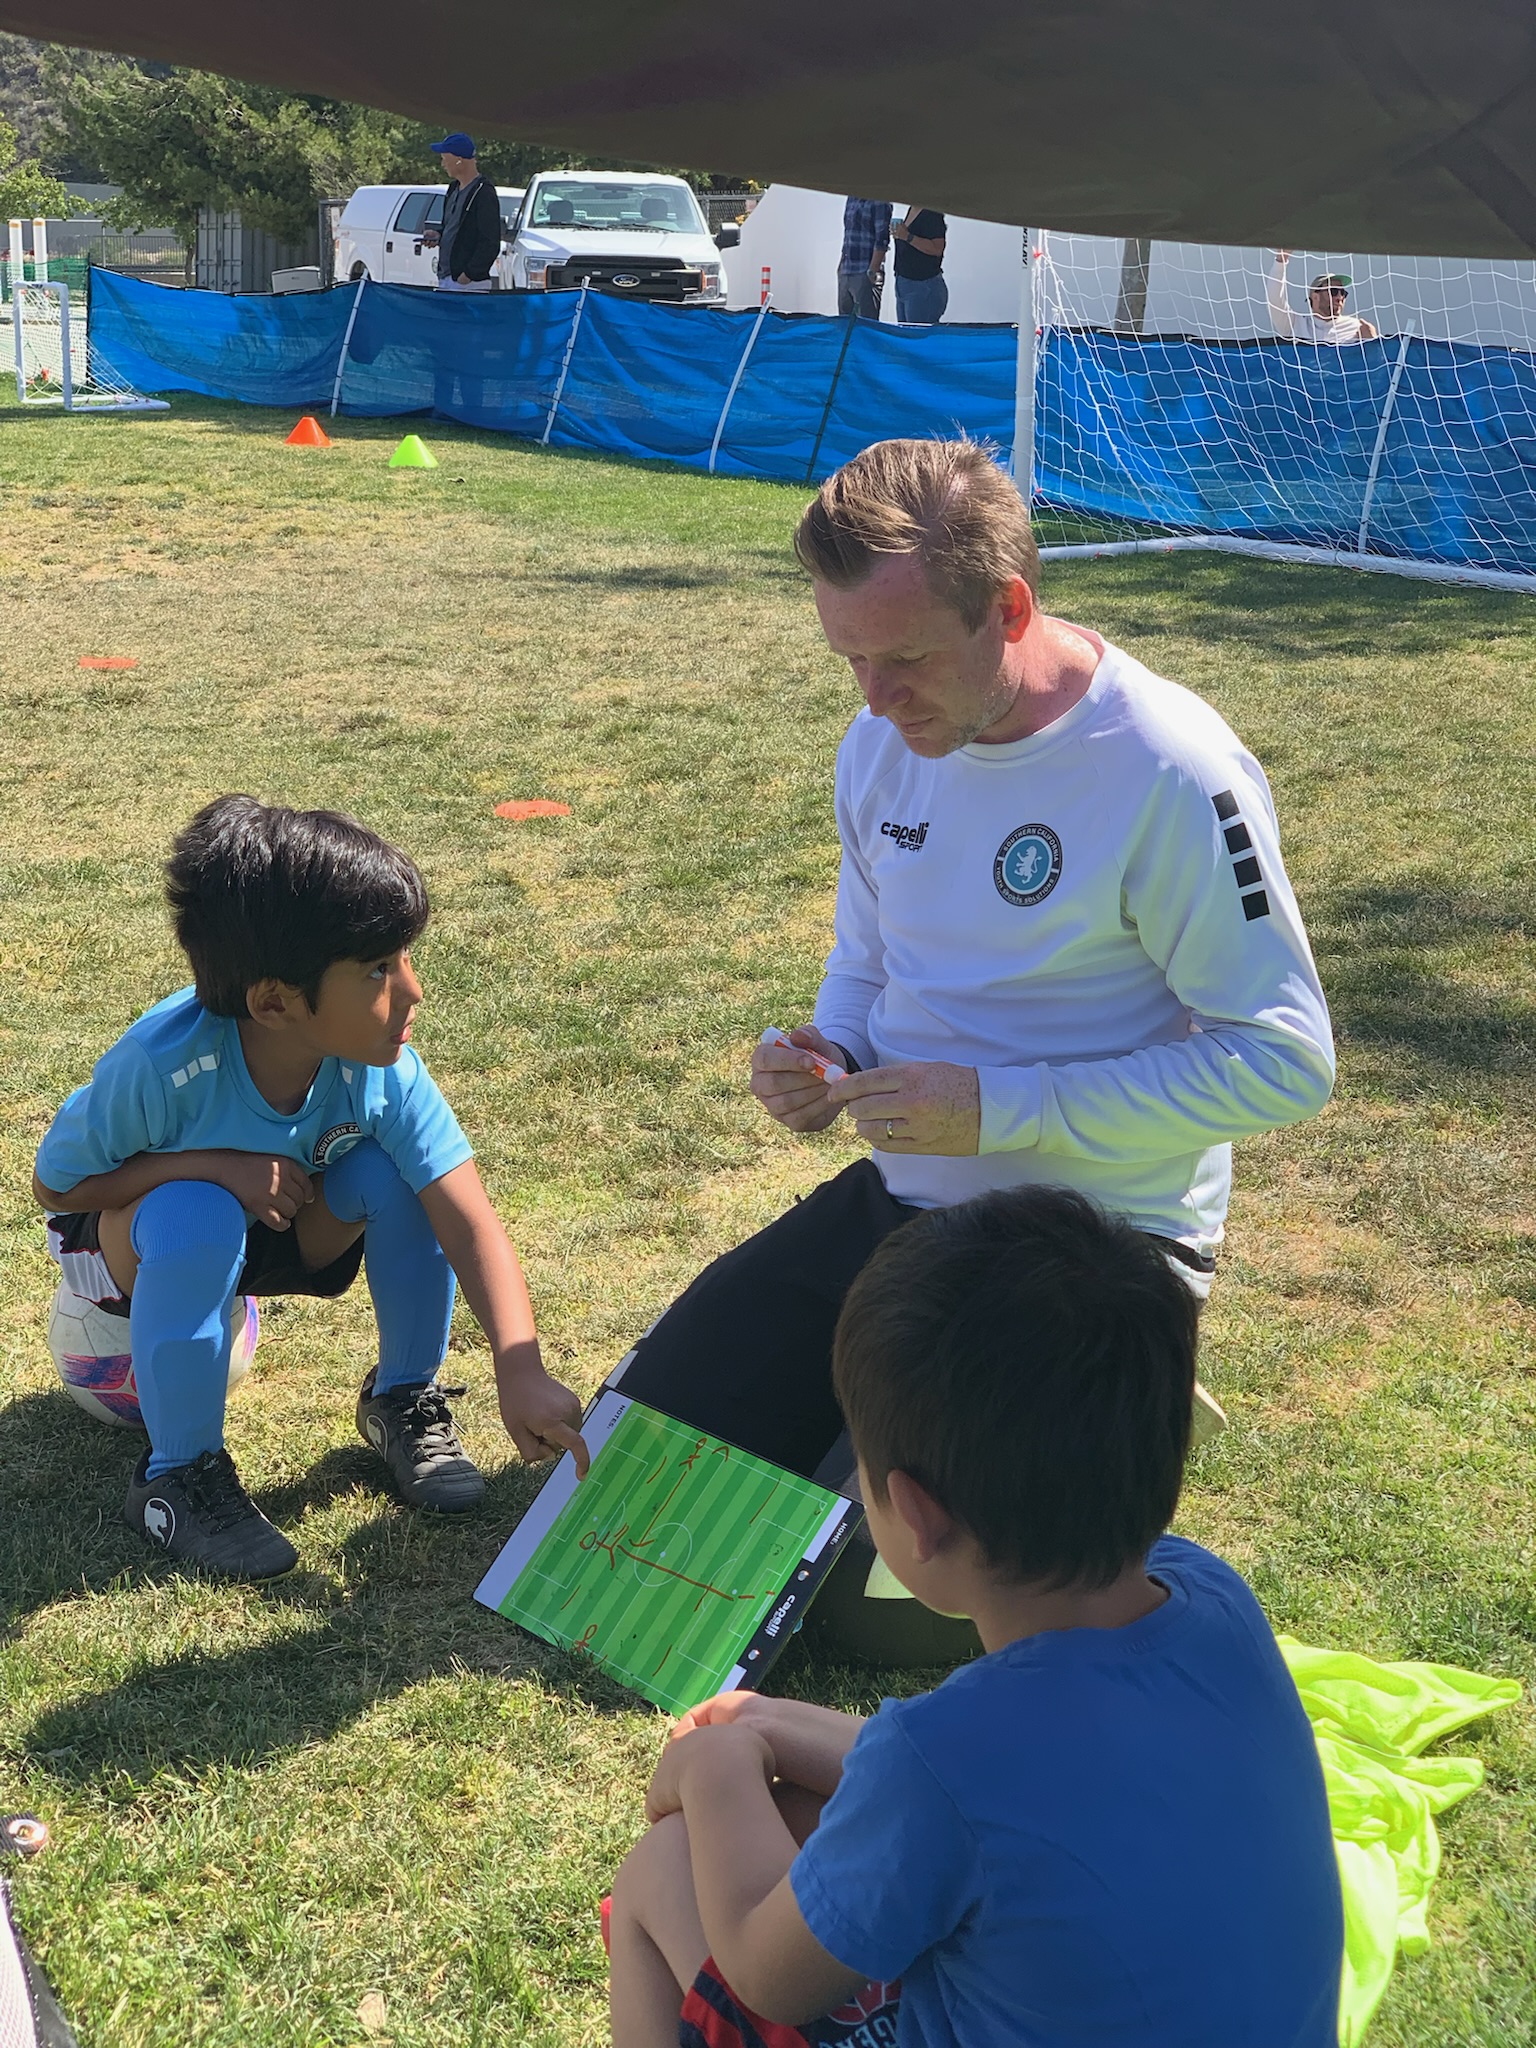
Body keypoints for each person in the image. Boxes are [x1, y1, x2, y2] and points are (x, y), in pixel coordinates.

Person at [618, 437, 1335, 1513]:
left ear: (1009, 607)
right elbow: (866, 962)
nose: (875, 699)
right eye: (851, 660)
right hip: (905, 1206)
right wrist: (830, 1051)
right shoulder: (880, 746)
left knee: (895, 1557)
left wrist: (1000, 1108)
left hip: (1096, 1240)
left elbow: (1284, 1062)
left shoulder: (1169, 768)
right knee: (637, 1472)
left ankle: (1126, 1379)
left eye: (905, 657)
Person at [608, 1186, 1347, 2048]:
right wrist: (770, 1724)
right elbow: (1012, 1786)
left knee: (664, 1869)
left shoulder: (939, 1765)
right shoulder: (1213, 1597)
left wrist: (716, 1766)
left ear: (914, 1517)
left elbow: (766, 1976)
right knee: (808, 1810)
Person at [32, 796, 588, 1582]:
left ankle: (402, 1398)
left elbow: (466, 1219)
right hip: (141, 1254)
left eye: (402, 959)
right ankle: (177, 1476)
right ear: (274, 1002)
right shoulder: (159, 1067)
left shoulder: (382, 1071)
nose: (413, 990)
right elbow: (57, 1186)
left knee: (396, 1172)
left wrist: (518, 1365)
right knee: (196, 1214)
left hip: (295, 1221)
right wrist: (213, 1166)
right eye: (378, 971)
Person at [421, 132, 502, 292]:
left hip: (469, 284)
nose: (442, 164)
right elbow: (457, 229)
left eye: (444, 158)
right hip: (445, 278)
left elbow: (490, 242)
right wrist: (438, 235)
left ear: (458, 160)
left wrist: (468, 275)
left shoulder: (483, 192)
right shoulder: (453, 189)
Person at [1268, 251, 1378, 342]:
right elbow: (1275, 300)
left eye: (1343, 293)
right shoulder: (1295, 325)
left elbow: (1377, 358)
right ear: (1315, 297)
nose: (1339, 297)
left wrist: (1373, 342)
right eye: (1333, 291)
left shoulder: (1357, 328)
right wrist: (1281, 259)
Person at [835, 197, 891, 321]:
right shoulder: (851, 198)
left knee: (866, 323)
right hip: (846, 271)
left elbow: (882, 239)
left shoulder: (880, 200)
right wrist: (840, 267)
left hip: (865, 271)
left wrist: (872, 272)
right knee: (845, 324)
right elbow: (848, 234)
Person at [891, 206, 947, 324]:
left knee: (917, 332)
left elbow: (937, 249)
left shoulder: (932, 213)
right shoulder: (913, 208)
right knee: (905, 332)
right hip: (904, 283)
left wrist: (907, 237)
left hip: (922, 286)